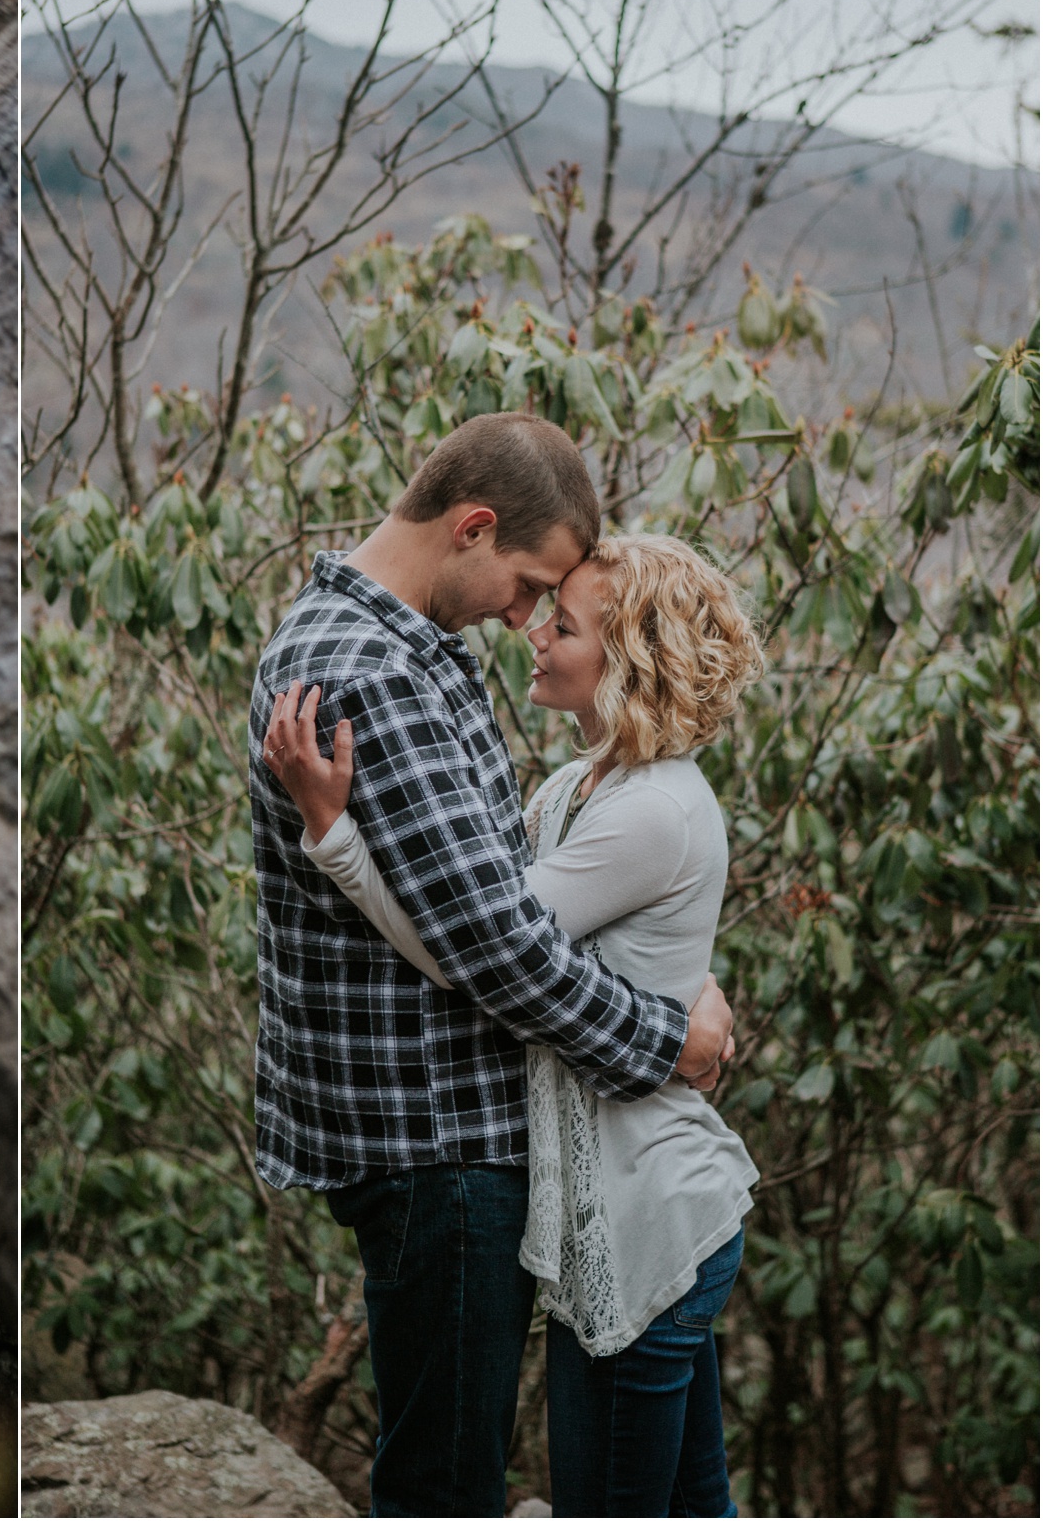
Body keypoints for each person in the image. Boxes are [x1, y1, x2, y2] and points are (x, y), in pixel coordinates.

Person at [246, 412, 734, 1516]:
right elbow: (495, 944)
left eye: (552, 608)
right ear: (471, 526)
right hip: (435, 1138)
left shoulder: (412, 649)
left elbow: (503, 901)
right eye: (525, 585)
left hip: (466, 1137)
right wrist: (671, 1035)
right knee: (445, 1481)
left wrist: (676, 977)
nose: (522, 617)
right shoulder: (371, 668)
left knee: (476, 1468)